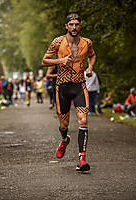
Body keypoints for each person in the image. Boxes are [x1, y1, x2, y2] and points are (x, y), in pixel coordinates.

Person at [42, 13, 96, 171]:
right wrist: (61, 60)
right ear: (66, 26)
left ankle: (82, 159)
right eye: (71, 24)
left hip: (80, 86)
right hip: (62, 88)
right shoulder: (58, 42)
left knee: (83, 119)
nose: (74, 27)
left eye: (76, 24)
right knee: (64, 124)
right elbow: (44, 60)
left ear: (80, 26)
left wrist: (90, 67)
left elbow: (92, 56)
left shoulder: (87, 42)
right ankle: (65, 140)